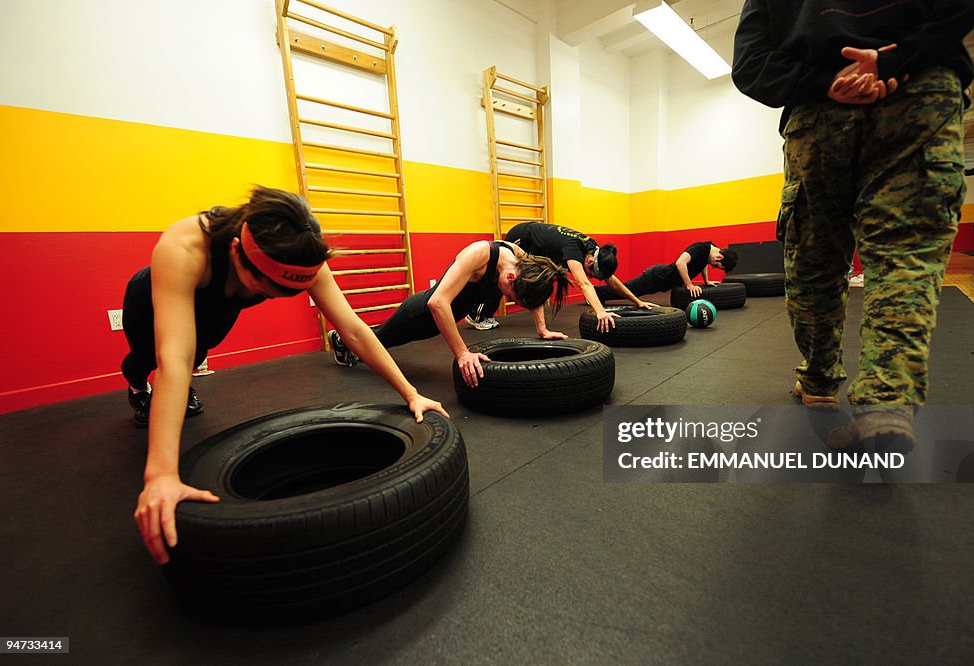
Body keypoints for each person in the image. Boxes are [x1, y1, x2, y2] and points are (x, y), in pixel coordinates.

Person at [125, 185, 447, 565]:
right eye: (267, 288)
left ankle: (174, 384)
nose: (273, 297)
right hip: (148, 300)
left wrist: (411, 393)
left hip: (218, 306)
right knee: (154, 359)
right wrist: (160, 475)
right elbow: (172, 360)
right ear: (235, 253)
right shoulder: (183, 248)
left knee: (196, 355)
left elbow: (355, 330)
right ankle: (134, 385)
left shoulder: (302, 254)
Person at [732, 0, 974, 449]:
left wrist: (824, 81)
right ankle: (886, 404)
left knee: (815, 267)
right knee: (904, 257)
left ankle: (818, 384)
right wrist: (900, 55)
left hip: (818, 115)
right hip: (920, 95)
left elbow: (750, 64)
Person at [329, 239, 570, 388]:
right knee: (381, 342)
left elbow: (533, 289)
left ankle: (349, 339)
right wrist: (463, 353)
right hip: (421, 314)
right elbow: (438, 302)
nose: (508, 298)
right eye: (512, 295)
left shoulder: (521, 261)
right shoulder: (479, 254)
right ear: (510, 278)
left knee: (381, 339)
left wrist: (542, 329)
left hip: (444, 317)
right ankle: (341, 340)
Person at [502, 221, 656, 332]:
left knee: (539, 278)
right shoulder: (574, 250)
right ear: (589, 262)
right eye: (592, 274)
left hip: (538, 245)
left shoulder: (595, 251)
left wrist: (637, 302)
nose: (592, 278)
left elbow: (613, 282)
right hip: (521, 236)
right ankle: (481, 314)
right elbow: (584, 283)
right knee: (511, 277)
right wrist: (601, 311)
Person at [594, 242, 738, 303]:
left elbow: (703, 263)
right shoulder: (701, 247)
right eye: (716, 266)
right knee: (629, 290)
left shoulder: (708, 252)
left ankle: (598, 293)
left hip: (662, 280)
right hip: (657, 276)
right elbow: (680, 263)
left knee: (630, 290)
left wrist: (706, 281)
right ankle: (595, 293)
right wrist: (689, 284)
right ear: (720, 257)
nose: (713, 266)